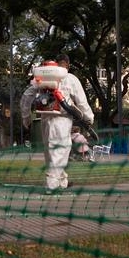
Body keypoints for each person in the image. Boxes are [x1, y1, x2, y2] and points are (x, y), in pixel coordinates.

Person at [20, 53, 94, 192]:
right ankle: (52, 185)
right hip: (62, 119)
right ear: (67, 64)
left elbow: (26, 97)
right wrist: (89, 118)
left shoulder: (42, 78)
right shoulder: (70, 78)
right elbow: (82, 101)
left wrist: (26, 117)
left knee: (51, 151)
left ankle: (62, 181)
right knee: (60, 151)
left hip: (45, 119)